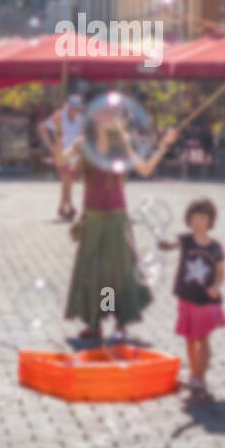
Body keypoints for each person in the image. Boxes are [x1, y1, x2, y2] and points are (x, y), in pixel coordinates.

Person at [63, 101, 179, 342]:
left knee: (119, 273)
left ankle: (120, 321)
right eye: (103, 111)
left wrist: (164, 146)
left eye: (113, 112)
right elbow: (63, 166)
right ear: (93, 116)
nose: (109, 115)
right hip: (92, 218)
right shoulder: (85, 145)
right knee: (94, 272)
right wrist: (57, 139)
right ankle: (95, 322)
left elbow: (145, 169)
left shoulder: (122, 145)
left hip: (116, 217)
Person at [157, 198, 225, 396]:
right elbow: (171, 244)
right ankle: (193, 374)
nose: (198, 222)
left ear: (210, 221)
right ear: (188, 220)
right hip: (186, 295)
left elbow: (221, 272)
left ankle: (200, 377)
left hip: (205, 298)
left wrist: (216, 285)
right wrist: (163, 244)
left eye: (203, 218)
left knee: (202, 338)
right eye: (194, 218)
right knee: (189, 337)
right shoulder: (185, 240)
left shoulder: (215, 248)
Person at [40, 94, 85, 221]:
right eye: (74, 108)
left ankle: (63, 207)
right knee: (66, 179)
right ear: (69, 107)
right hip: (61, 153)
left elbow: (80, 136)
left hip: (73, 154)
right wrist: (50, 147)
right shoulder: (59, 116)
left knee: (68, 180)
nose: (76, 110)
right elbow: (42, 128)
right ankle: (68, 205)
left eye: (78, 108)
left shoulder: (80, 119)